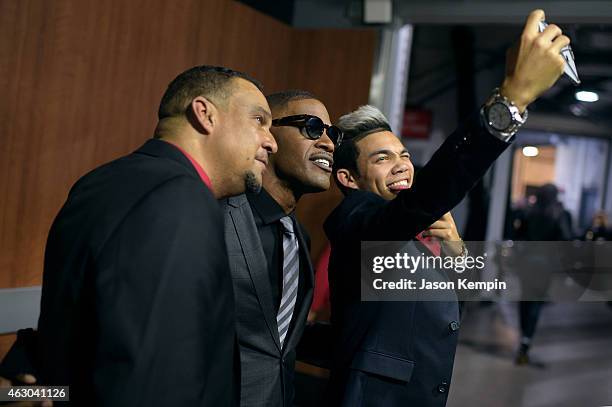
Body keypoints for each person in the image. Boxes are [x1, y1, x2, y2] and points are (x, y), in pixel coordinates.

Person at [323, 10, 570, 406]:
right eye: (382, 159)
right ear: (349, 179)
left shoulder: (419, 228)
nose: (402, 164)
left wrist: (455, 248)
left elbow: (464, 298)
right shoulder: (356, 220)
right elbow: (430, 191)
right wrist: (513, 97)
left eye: (403, 154)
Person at [1, 65, 278, 406]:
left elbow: (76, 349)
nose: (271, 141)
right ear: (205, 114)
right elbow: (153, 379)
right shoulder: (179, 199)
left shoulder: (99, 181)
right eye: (259, 120)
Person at [223, 89, 338, 406]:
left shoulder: (298, 235)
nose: (329, 143)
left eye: (333, 134)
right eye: (313, 127)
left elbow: (279, 341)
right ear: (268, 135)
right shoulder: (218, 218)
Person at [512, 183, 572, 365]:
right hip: (545, 265)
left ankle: (523, 335)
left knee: (524, 299)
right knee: (536, 303)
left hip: (526, 262)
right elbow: (566, 239)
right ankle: (526, 341)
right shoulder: (559, 214)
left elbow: (517, 236)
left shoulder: (529, 212)